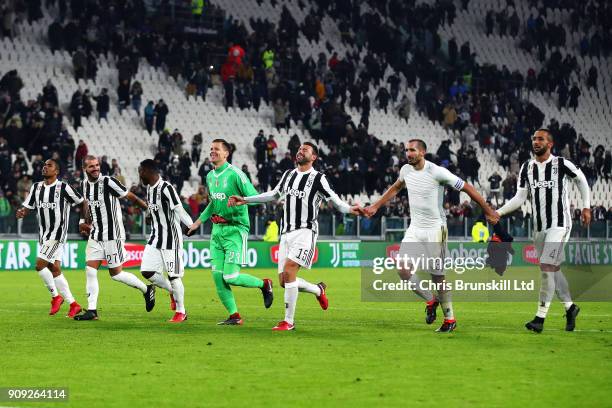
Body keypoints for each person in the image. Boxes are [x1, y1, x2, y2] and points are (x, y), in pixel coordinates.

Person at [363, 139, 499, 333]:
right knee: (402, 269)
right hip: (415, 228)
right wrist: (375, 206)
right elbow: (396, 187)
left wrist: (487, 210)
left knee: (437, 276)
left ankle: (449, 319)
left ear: (422, 152)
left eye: (412, 150)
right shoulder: (406, 170)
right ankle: (430, 299)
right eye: (406, 150)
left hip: (436, 229)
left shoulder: (437, 172)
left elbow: (467, 188)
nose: (408, 154)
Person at [229, 143, 362, 331]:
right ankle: (318, 290)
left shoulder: (319, 178)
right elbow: (274, 194)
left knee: (290, 271)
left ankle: (288, 321)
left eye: (305, 150)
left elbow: (335, 200)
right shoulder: (288, 175)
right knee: (284, 281)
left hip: (305, 231)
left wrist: (349, 209)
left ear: (314, 157)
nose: (300, 151)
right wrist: (246, 199)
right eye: (299, 149)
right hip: (286, 233)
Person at [494, 129, 591, 333]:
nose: (536, 142)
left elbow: (581, 180)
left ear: (550, 144)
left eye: (541, 139)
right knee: (552, 270)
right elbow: (520, 198)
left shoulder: (561, 164)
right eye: (534, 139)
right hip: (539, 227)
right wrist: (498, 212)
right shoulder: (527, 167)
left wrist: (586, 206)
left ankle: (540, 318)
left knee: (547, 265)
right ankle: (570, 307)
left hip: (560, 223)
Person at [187, 139, 274, 325]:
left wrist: (243, 199)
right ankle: (235, 316)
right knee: (218, 277)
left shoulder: (236, 174)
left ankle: (264, 284)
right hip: (217, 231)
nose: (212, 152)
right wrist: (197, 223)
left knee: (230, 276)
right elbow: (213, 203)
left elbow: (257, 198)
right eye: (211, 149)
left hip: (235, 229)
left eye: (216, 149)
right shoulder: (210, 176)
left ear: (226, 153)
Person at [73, 156, 154, 321]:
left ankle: (147, 290)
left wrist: (148, 209)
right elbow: (86, 204)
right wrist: (83, 221)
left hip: (113, 234)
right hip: (96, 234)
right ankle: (92, 310)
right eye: (91, 167)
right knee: (90, 270)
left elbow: (130, 196)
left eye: (97, 165)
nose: (95, 168)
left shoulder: (108, 181)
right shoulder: (84, 184)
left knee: (116, 274)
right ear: (84, 169)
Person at [16, 159, 86, 317]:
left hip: (57, 234)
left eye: (49, 165)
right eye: (44, 165)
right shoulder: (36, 187)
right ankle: (74, 304)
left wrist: (82, 221)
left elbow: (83, 202)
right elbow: (28, 206)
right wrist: (22, 212)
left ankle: (56, 297)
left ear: (57, 171)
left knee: (39, 265)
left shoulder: (64, 187)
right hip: (44, 235)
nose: (45, 167)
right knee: (54, 269)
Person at [138, 159, 194, 323]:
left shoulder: (166, 188)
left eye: (141, 171)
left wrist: (191, 225)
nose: (140, 174)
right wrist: (149, 216)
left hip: (171, 239)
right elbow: (152, 209)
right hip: (155, 238)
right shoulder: (149, 189)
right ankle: (171, 291)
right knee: (147, 271)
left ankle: (181, 311)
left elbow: (178, 208)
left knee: (174, 276)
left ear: (149, 171)